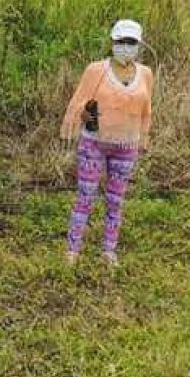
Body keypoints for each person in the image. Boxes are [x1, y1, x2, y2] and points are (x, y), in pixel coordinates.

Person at [60, 19, 154, 266]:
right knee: (86, 195)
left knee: (116, 199)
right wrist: (83, 114)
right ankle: (73, 250)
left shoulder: (145, 74)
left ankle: (109, 251)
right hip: (94, 143)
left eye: (131, 42)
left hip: (126, 147)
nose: (126, 46)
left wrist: (144, 139)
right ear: (113, 42)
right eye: (121, 41)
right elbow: (79, 101)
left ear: (138, 44)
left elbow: (146, 111)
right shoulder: (96, 70)